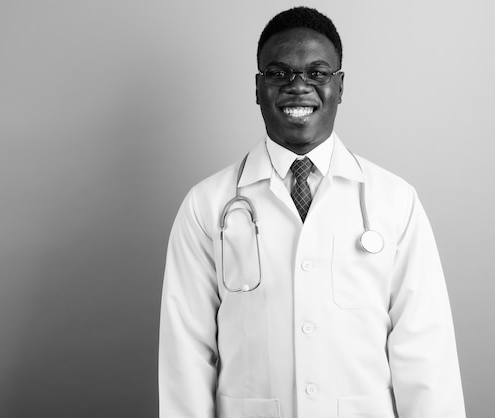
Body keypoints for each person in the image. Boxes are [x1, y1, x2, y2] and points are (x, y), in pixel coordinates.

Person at [158, 6, 465, 418]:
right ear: (257, 87)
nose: (298, 87)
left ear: (340, 86)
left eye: (317, 73)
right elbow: (186, 352)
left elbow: (425, 350)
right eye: (279, 73)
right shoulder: (206, 205)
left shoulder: (395, 200)